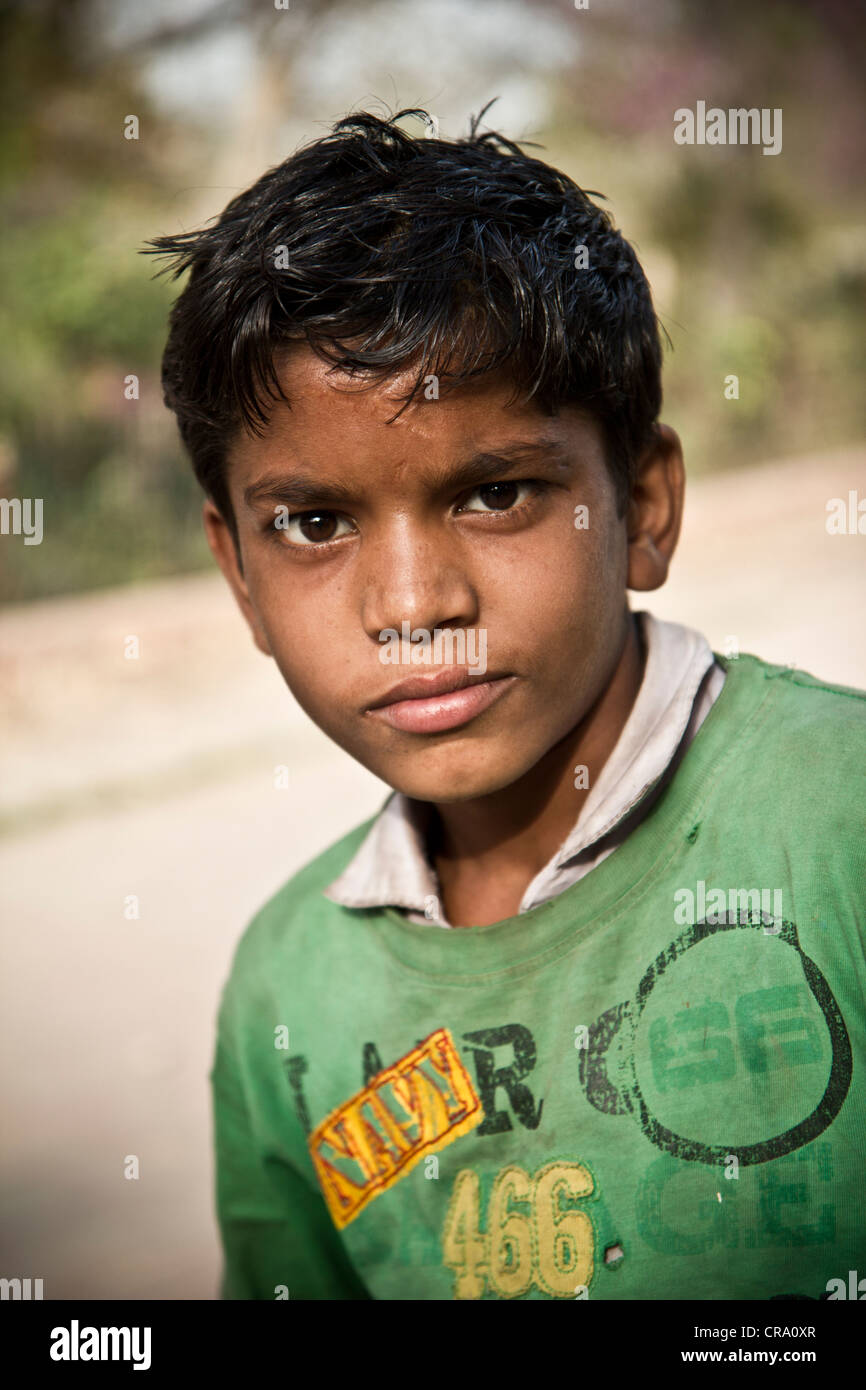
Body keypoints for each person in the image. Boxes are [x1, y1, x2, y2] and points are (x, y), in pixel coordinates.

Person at [144, 109, 866, 1300]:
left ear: (639, 507)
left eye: (494, 493)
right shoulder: (286, 985)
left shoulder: (836, 818)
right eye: (315, 523)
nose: (414, 603)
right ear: (239, 574)